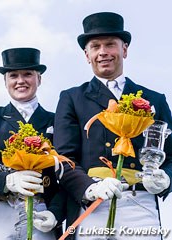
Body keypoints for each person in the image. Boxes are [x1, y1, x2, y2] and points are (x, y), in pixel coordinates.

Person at [54, 12, 172, 240]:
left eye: (110, 45)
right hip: (93, 203)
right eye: (95, 46)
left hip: (142, 203)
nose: (103, 52)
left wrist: (166, 178)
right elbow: (64, 157)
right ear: (87, 55)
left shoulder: (154, 99)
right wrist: (89, 187)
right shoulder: (72, 98)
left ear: (124, 49)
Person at [0, 47, 65, 240]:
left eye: (28, 74)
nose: (20, 81)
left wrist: (56, 213)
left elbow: (66, 173)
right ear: (5, 81)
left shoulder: (56, 120)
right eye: (13, 75)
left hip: (41, 210)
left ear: (39, 79)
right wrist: (6, 181)